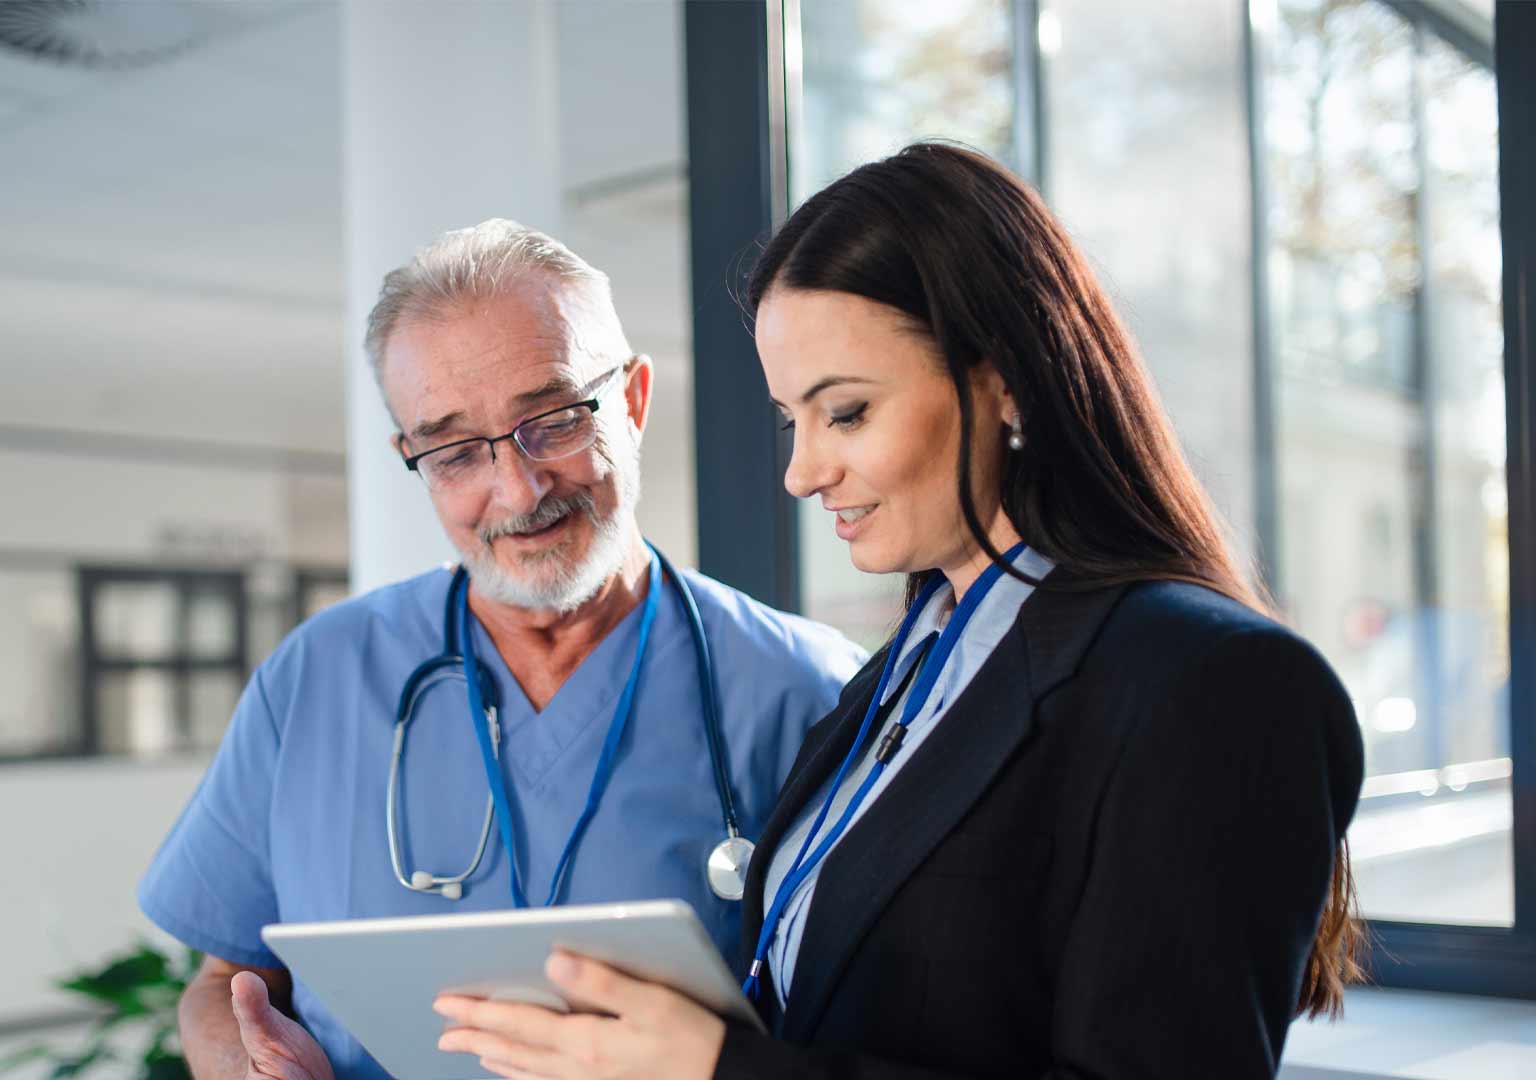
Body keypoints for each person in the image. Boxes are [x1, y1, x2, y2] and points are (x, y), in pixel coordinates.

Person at [431, 144, 1366, 1079]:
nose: (801, 472)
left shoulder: (1207, 684)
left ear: (1006, 382)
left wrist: (716, 1070)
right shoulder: (907, 670)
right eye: (790, 419)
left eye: (845, 414)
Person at [136, 219, 865, 1080]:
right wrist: (239, 1058)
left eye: (552, 420)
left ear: (630, 402)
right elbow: (223, 976)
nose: (516, 489)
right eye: (453, 451)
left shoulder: (808, 692)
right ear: (412, 457)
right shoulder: (315, 680)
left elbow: (871, 1022)